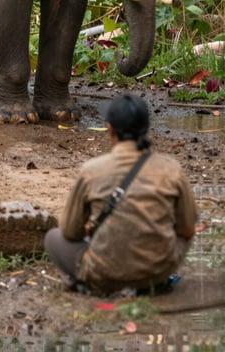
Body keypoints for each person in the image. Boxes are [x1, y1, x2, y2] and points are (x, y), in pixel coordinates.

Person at [44, 92, 198, 296]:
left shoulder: (91, 170)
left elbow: (71, 232)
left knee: (53, 238)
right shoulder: (172, 169)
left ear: (109, 129)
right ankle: (154, 281)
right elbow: (187, 229)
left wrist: (91, 229)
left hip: (104, 272)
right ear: (146, 130)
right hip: (158, 272)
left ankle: (91, 280)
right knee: (181, 237)